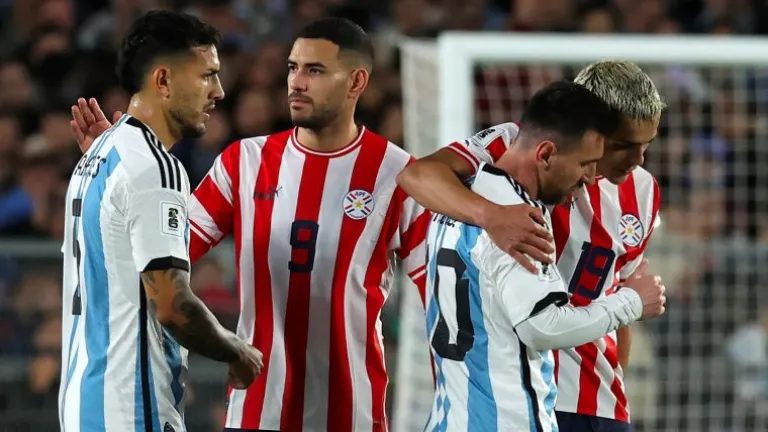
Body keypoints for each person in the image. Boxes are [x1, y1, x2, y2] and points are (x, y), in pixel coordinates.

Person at [70, 17, 430, 432]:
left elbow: (440, 296)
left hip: (351, 414)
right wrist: (122, 170)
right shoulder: (243, 162)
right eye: (293, 68)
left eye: (314, 70)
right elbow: (161, 250)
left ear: (356, 82)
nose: (297, 82)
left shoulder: (397, 174)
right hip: (257, 411)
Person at [397, 60, 666, 430]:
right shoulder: (513, 150)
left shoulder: (643, 191)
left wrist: (616, 381)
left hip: (592, 398)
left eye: (646, 145)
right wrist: (491, 215)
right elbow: (417, 174)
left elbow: (620, 288)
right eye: (624, 146)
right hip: (521, 388)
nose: (637, 160)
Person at [59, 11, 262, 432]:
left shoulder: (98, 156)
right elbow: (172, 306)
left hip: (85, 404)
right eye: (207, 75)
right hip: (130, 407)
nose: (219, 91)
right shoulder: (154, 167)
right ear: (164, 80)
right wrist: (236, 351)